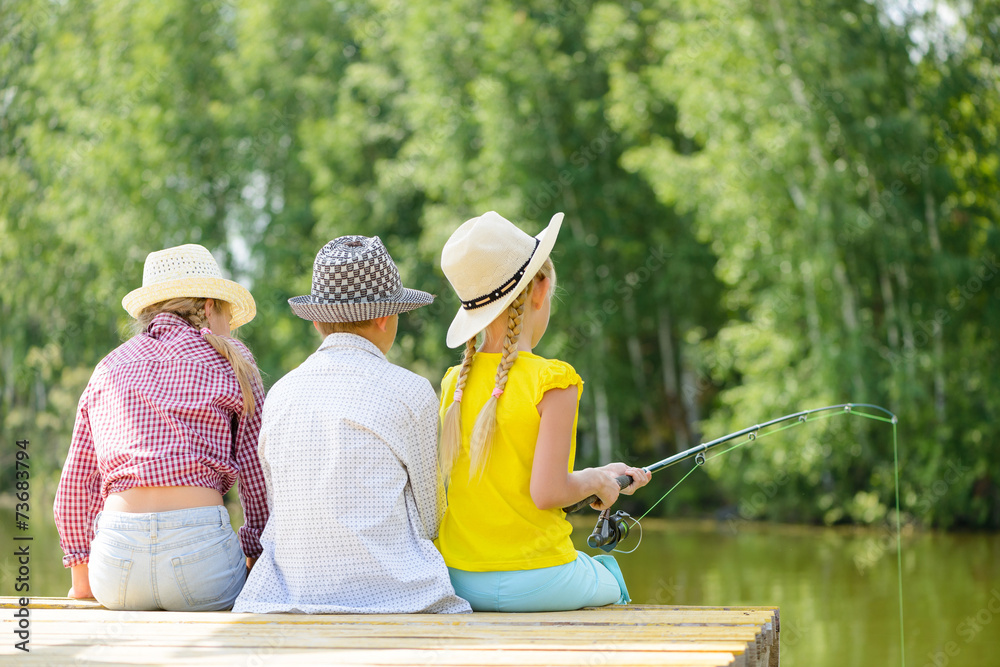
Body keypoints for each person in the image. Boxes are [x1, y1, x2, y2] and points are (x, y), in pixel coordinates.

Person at [233, 236, 470, 614]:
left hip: (291, 594)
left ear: (316, 320)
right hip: (397, 595)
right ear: (383, 316)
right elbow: (431, 517)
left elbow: (279, 504)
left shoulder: (280, 394)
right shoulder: (410, 392)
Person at [436, 211, 652, 612]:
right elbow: (548, 492)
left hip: (458, 578)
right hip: (537, 580)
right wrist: (596, 480)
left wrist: (598, 477)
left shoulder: (454, 384)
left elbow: (521, 481)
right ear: (541, 289)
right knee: (609, 574)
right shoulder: (554, 380)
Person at [53, 243, 268, 611]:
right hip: (202, 561)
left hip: (116, 570)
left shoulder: (109, 367)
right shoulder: (232, 358)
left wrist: (82, 579)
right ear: (209, 306)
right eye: (228, 316)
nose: (229, 327)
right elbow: (257, 474)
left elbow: (76, 485)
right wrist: (253, 554)